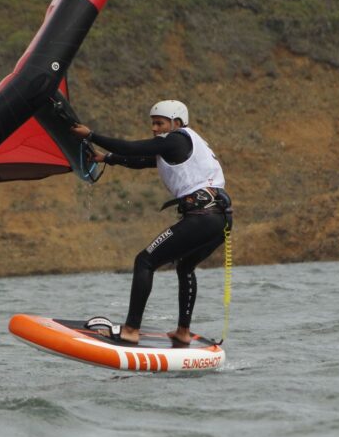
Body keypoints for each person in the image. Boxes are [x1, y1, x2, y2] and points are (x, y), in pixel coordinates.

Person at [71, 100, 232, 346]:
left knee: (144, 261)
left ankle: (131, 330)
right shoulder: (186, 144)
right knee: (185, 267)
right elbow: (144, 160)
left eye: (160, 123)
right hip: (221, 219)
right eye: (153, 124)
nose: (155, 128)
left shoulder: (176, 138)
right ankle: (183, 332)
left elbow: (134, 148)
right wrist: (107, 158)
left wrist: (91, 135)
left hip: (202, 217)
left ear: (176, 123)